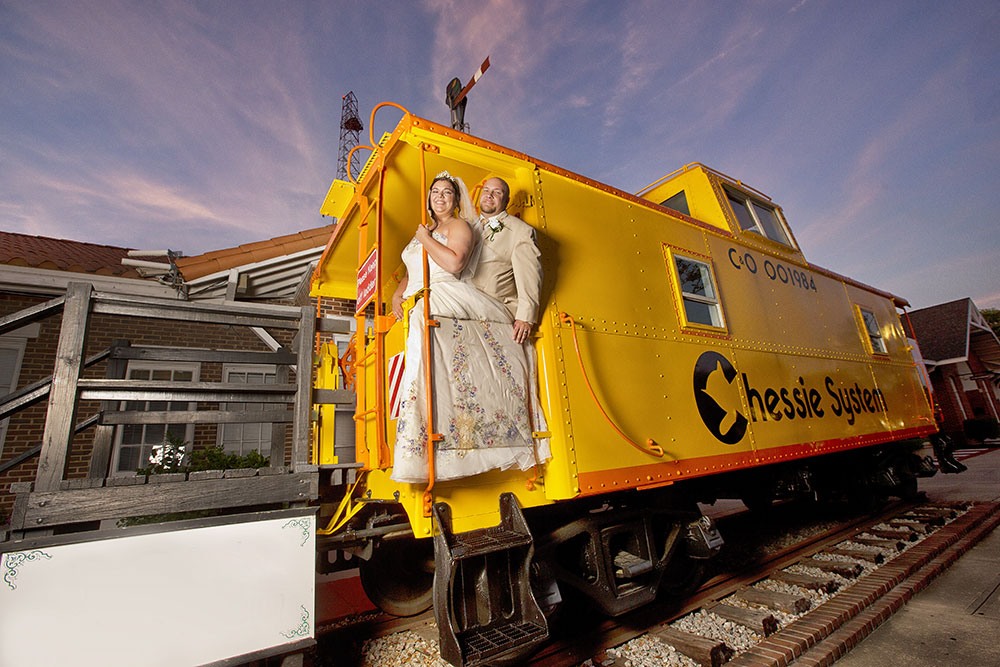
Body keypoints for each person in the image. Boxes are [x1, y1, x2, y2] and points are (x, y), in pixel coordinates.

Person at [389, 172, 549, 483]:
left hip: (470, 299)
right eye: (435, 191)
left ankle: (466, 437)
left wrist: (525, 315)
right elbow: (416, 267)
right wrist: (398, 292)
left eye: (497, 193)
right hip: (427, 295)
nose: (440, 196)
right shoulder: (434, 229)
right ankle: (417, 439)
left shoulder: (512, 230)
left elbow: (455, 265)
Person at [471, 177, 542, 344]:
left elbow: (530, 276)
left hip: (496, 308)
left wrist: (525, 318)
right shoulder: (467, 227)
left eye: (497, 192)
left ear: (506, 201)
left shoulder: (521, 231)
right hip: (467, 305)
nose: (489, 195)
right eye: (486, 190)